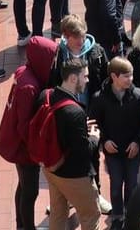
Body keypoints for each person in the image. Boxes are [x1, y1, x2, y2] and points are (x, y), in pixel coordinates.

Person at [41, 58, 104, 230]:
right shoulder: (75, 112)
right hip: (74, 176)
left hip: (51, 168)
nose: (88, 80)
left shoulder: (46, 95)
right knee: (91, 216)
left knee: (58, 213)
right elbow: (83, 151)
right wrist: (93, 137)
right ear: (74, 79)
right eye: (85, 76)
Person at [5, 35, 60, 230]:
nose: (54, 62)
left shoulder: (24, 72)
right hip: (22, 147)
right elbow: (25, 125)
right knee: (30, 191)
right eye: (51, 58)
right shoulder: (29, 87)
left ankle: (21, 225)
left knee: (23, 186)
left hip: (13, 140)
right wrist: (36, 151)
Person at [90, 57, 140, 227]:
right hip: (112, 151)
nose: (130, 79)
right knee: (116, 184)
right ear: (114, 77)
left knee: (132, 184)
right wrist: (104, 141)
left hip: (133, 150)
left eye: (131, 75)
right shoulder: (99, 98)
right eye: (126, 76)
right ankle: (117, 216)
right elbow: (93, 123)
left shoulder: (139, 96)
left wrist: (138, 141)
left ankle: (130, 215)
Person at [49, 14, 110, 91]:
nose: (81, 41)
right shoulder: (58, 54)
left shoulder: (98, 52)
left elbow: (106, 79)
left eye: (83, 36)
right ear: (65, 36)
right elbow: (54, 82)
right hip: (68, 101)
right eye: (76, 37)